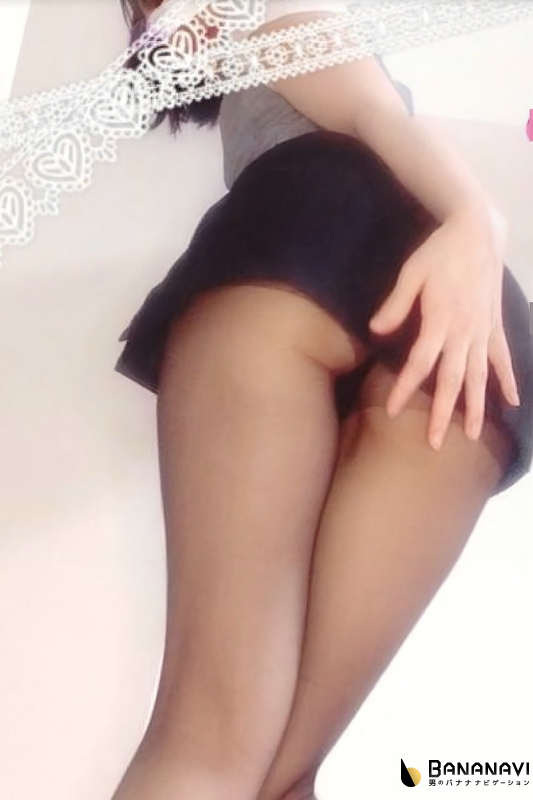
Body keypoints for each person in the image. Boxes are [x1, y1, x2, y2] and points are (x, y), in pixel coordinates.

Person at [110, 2, 533, 799]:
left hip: (317, 249)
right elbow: (369, 107)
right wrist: (470, 222)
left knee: (208, 745)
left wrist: (478, 217)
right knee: (283, 776)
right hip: (455, 323)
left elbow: (369, 108)